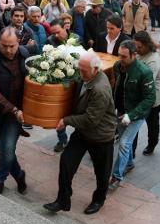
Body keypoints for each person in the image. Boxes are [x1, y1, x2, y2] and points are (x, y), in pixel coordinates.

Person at [44, 51, 117, 214]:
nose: (80, 73)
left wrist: (66, 121)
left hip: (101, 136)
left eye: (83, 71)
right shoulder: (86, 76)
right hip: (83, 132)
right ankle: (63, 199)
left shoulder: (100, 89)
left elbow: (91, 120)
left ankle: (99, 200)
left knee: (102, 173)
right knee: (66, 162)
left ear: (96, 70)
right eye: (79, 69)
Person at [0, 27, 30, 194]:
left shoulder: (24, 53)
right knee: (3, 150)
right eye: (4, 46)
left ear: (19, 43)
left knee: (8, 150)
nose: (8, 50)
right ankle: (19, 175)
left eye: (12, 46)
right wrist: (14, 109)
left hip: (14, 116)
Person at [109, 40, 155, 188]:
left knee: (123, 143)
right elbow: (117, 87)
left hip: (137, 114)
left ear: (134, 55)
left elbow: (150, 99)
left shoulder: (144, 72)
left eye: (124, 56)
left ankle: (117, 176)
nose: (120, 59)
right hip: (121, 111)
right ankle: (129, 163)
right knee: (123, 139)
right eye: (119, 55)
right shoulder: (117, 66)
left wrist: (132, 115)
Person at [132, 31, 160, 155]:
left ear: (147, 45)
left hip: (152, 100)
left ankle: (152, 144)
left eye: (139, 47)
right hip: (137, 97)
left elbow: (146, 82)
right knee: (134, 126)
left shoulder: (153, 60)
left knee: (152, 124)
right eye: (135, 46)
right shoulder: (138, 54)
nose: (137, 49)